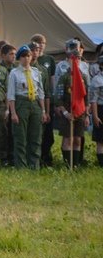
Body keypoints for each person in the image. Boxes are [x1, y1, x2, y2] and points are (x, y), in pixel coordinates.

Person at [7, 45, 46, 169]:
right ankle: (21, 165)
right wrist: (13, 112)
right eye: (23, 56)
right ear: (19, 58)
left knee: (36, 135)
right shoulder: (14, 73)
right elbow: (11, 94)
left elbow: (41, 92)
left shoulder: (36, 72)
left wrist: (43, 110)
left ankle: (34, 164)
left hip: (34, 103)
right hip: (21, 103)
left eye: (28, 55)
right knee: (20, 136)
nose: (26, 58)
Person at [55, 38, 90, 167]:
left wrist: (86, 114)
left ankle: (76, 164)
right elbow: (58, 96)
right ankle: (67, 165)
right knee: (67, 138)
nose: (74, 60)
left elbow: (86, 95)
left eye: (77, 58)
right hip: (67, 110)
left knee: (77, 139)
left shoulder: (84, 75)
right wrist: (64, 112)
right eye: (72, 58)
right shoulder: (63, 73)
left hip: (80, 111)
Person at [30, 34, 56, 167]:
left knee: (47, 133)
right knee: (35, 132)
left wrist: (52, 98)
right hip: (32, 100)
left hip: (47, 100)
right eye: (36, 43)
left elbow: (51, 81)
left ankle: (46, 158)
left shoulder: (49, 59)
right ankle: (35, 159)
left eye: (42, 43)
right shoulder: (28, 60)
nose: (40, 45)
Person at [90, 54, 103, 166]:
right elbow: (93, 99)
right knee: (101, 139)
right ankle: (101, 163)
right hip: (101, 109)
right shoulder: (97, 79)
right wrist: (95, 116)